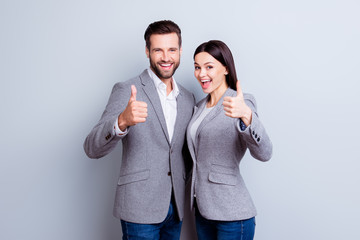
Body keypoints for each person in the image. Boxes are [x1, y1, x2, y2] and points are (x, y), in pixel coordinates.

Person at [84, 20, 195, 240]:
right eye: (158, 50)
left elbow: (185, 152)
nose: (166, 57)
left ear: (180, 51)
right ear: (147, 51)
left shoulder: (188, 98)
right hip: (139, 208)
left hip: (176, 208)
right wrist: (121, 122)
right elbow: (91, 147)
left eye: (172, 49)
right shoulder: (127, 89)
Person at [186, 40, 273, 240]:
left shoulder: (242, 102)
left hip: (232, 214)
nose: (201, 74)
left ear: (225, 68)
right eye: (197, 67)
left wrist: (247, 117)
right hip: (202, 210)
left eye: (209, 67)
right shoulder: (198, 107)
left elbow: (265, 153)